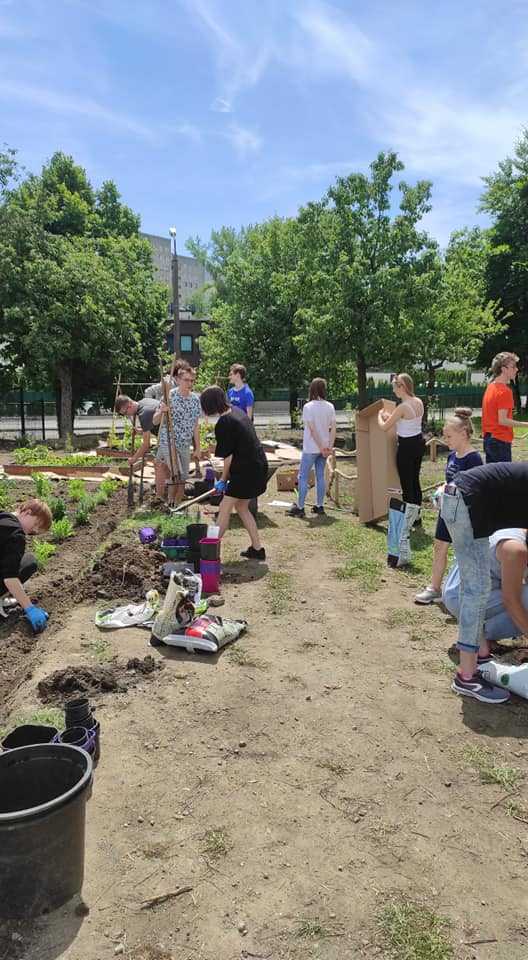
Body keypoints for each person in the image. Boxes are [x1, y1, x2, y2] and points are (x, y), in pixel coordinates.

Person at [439, 461, 528, 704]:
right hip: (464, 500)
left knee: (477, 588)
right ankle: (466, 677)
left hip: (461, 497)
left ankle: (480, 655)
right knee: (475, 591)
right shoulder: (515, 545)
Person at [415, 408, 482, 604]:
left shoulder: (474, 459)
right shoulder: (452, 456)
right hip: (447, 511)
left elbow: (475, 490)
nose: (446, 440)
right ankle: (434, 588)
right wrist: (442, 491)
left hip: (463, 515)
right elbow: (450, 481)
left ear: (463, 434)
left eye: (449, 436)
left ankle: (460, 591)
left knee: (462, 553)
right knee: (439, 546)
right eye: (444, 436)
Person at [199, 386, 268, 560]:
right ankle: (257, 549)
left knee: (224, 507)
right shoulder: (237, 411)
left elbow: (228, 457)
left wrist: (222, 479)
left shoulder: (224, 423)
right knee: (242, 507)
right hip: (257, 466)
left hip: (246, 471)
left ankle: (209, 553)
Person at [443, 527, 528, 659]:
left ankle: (480, 635)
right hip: (461, 596)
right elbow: (511, 601)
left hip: (460, 588)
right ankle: (478, 636)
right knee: (522, 599)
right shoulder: (515, 549)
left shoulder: (518, 531)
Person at [0, 499, 52, 631]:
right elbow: (10, 578)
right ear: (27, 512)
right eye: (35, 525)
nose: (31, 531)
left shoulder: (3, 517)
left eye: (35, 532)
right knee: (29, 563)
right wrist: (29, 608)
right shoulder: (16, 535)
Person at [287, 378, 336, 519]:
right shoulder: (330, 406)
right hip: (325, 447)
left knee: (303, 476)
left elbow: (312, 430)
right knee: (320, 476)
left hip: (311, 448)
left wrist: (321, 447)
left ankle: (300, 507)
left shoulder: (308, 407)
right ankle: (320, 506)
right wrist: (328, 447)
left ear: (312, 390)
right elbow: (333, 428)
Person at [378, 374, 425, 509]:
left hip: (406, 447)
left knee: (406, 483)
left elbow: (384, 427)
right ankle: (417, 516)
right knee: (415, 480)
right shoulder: (418, 401)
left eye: (394, 387)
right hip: (418, 443)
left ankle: (409, 516)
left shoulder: (403, 407)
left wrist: (379, 416)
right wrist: (391, 417)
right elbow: (404, 420)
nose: (393, 390)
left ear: (402, 387)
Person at [153, 365, 201, 493]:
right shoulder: (169, 397)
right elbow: (155, 420)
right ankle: (170, 502)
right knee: (177, 473)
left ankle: (177, 505)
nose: (189, 383)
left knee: (183, 477)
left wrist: (198, 448)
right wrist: (162, 411)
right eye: (186, 380)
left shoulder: (195, 400)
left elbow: (195, 426)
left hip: (185, 444)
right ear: (178, 380)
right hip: (169, 441)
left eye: (192, 380)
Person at [114, 394, 165, 496]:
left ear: (129, 404)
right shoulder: (144, 401)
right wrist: (140, 431)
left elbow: (146, 444)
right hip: (170, 434)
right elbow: (150, 426)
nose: (126, 415)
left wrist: (134, 459)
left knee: (158, 464)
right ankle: (166, 488)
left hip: (170, 437)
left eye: (125, 412)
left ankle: (160, 496)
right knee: (162, 465)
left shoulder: (143, 414)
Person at [481, 351, 524, 463]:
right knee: (504, 479)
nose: (516, 369)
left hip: (489, 440)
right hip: (500, 441)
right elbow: (503, 420)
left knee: (493, 478)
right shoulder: (505, 391)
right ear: (504, 369)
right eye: (513, 367)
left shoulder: (490, 387)